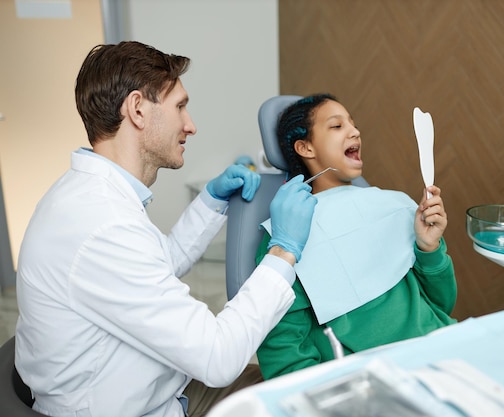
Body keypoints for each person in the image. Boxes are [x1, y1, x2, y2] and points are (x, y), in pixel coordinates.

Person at [14, 41, 317, 417]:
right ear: (137, 109)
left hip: (155, 392)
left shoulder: (89, 196)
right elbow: (217, 357)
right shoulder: (102, 224)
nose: (190, 125)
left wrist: (210, 201)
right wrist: (283, 251)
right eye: (180, 107)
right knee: (302, 400)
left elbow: (159, 264)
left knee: (294, 386)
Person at [255, 94, 457, 379]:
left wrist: (429, 247)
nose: (355, 132)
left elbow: (441, 305)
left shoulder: (396, 206)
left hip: (444, 351)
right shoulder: (288, 233)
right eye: (337, 126)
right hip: (374, 381)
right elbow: (284, 346)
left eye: (354, 124)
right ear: (305, 147)